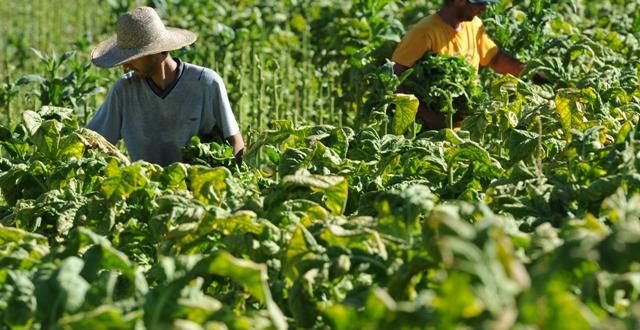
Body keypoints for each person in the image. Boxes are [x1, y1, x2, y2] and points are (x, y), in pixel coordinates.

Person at [87, 6, 244, 166]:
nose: (126, 66)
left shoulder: (205, 83)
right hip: (144, 187)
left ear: (156, 52)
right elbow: (92, 140)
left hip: (197, 187)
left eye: (133, 58)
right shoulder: (124, 90)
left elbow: (236, 143)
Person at [392, 0, 531, 130]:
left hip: (461, 128)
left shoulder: (474, 25)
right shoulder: (425, 32)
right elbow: (396, 75)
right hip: (426, 130)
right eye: (479, 3)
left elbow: (495, 59)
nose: (484, 8)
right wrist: (430, 118)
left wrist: (533, 73)